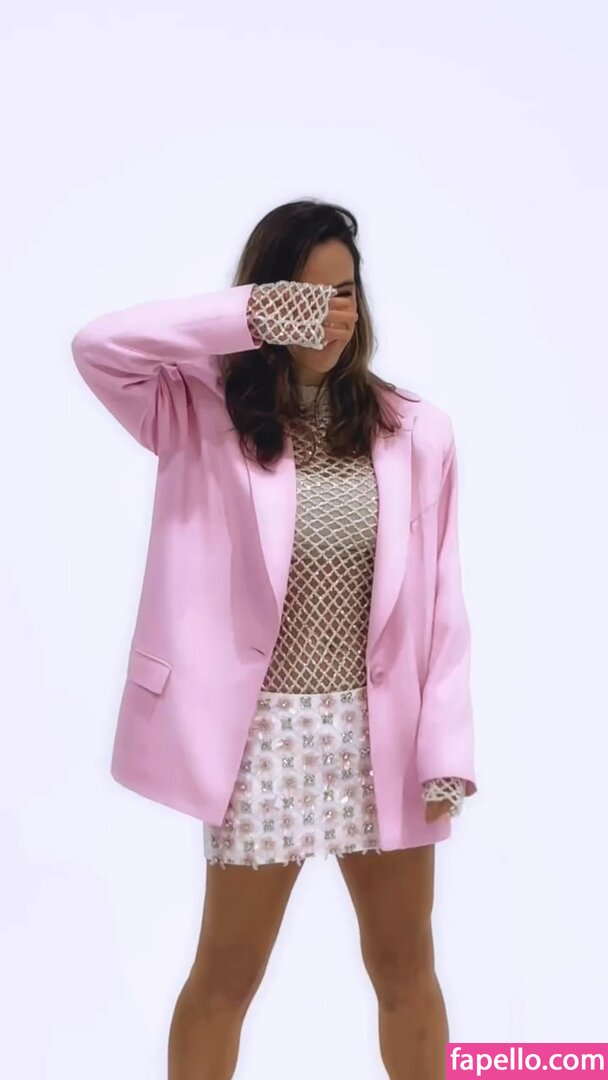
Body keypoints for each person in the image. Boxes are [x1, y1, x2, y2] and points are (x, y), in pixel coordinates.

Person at [71, 198, 477, 1080]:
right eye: (306, 297)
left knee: (407, 971)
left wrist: (446, 750)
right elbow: (99, 345)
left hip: (380, 738)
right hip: (263, 741)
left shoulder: (417, 431)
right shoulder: (193, 411)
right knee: (226, 977)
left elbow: (443, 606)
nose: (330, 316)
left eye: (344, 294)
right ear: (268, 300)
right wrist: (249, 317)